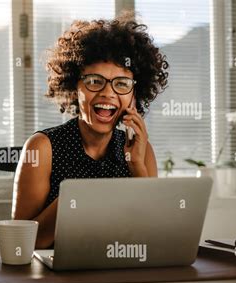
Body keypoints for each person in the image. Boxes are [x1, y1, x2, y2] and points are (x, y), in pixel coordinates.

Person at [12, 12, 169, 249]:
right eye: (94, 81)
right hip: (55, 280)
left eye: (122, 84)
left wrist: (136, 165)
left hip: (117, 273)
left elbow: (150, 240)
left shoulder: (142, 152)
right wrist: (76, 197)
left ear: (134, 95)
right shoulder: (42, 148)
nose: (108, 93)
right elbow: (20, 245)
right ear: (75, 87)